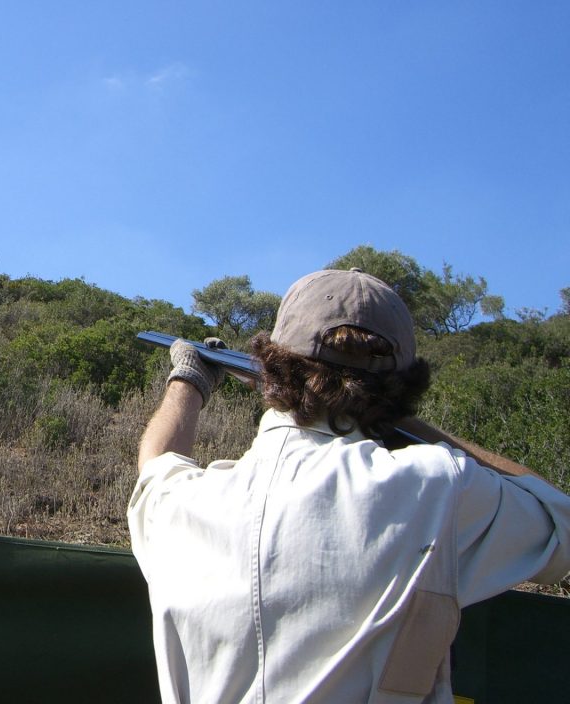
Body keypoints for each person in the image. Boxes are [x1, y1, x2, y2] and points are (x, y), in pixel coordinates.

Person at [128, 268, 570, 704]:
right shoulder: (440, 484)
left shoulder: (181, 502)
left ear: (271, 365)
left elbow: (157, 466)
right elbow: (559, 522)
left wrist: (189, 379)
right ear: (405, 385)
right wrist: (400, 422)